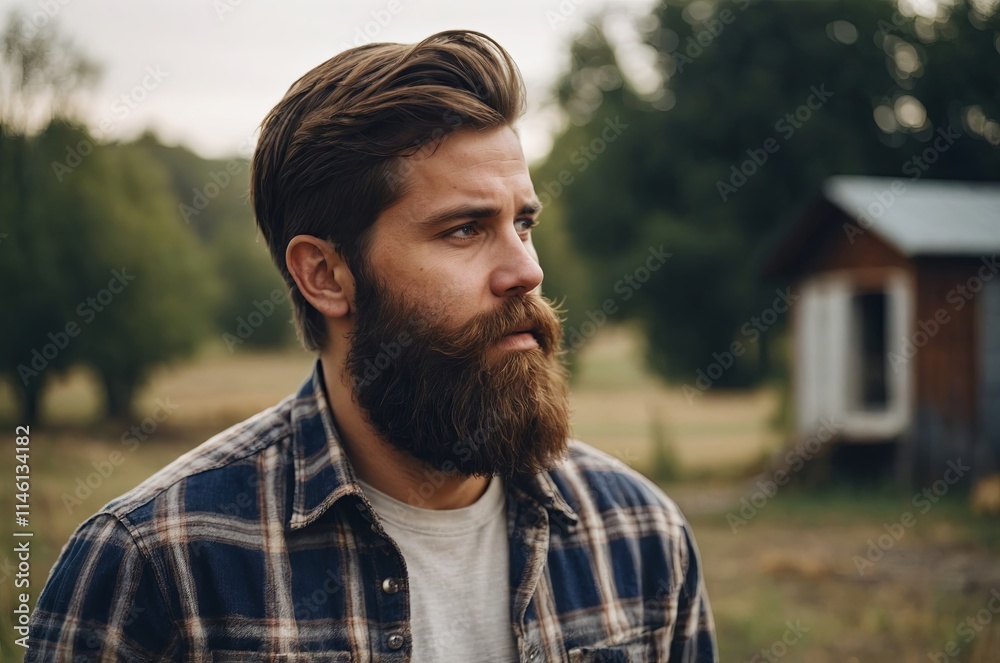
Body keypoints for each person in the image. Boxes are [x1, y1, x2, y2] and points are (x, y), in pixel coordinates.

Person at [26, 30, 718, 662]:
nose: (527, 271)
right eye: (464, 230)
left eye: (523, 222)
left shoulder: (640, 537)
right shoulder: (156, 566)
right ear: (325, 274)